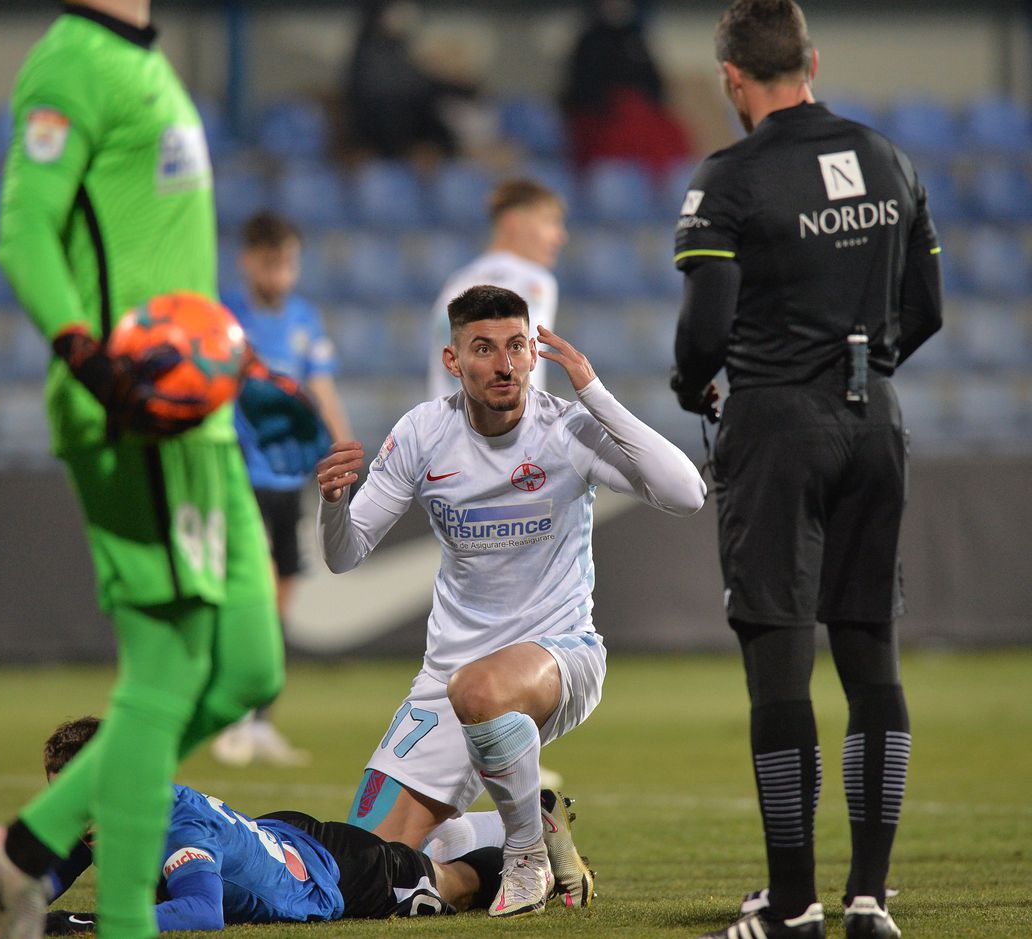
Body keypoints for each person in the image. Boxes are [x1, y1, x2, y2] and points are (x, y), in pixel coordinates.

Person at [0, 4, 286, 938]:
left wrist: (237, 362)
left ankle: (25, 852)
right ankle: (105, 911)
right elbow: (24, 235)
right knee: (171, 667)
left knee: (246, 666)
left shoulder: (149, 63)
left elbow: (154, 254)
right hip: (134, 412)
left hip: (198, 405)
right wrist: (96, 367)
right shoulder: (69, 63)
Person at [667, 3, 943, 938]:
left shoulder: (732, 176)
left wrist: (691, 382)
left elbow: (706, 326)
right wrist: (862, 366)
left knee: (781, 669)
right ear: (813, 61)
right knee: (872, 659)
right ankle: (870, 898)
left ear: (732, 78)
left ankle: (792, 906)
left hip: (778, 427)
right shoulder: (890, 159)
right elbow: (928, 306)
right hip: (877, 421)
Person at [316, 284, 707, 918]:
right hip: (447, 681)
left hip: (561, 658)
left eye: (517, 346)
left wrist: (594, 392)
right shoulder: (423, 432)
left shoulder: (568, 429)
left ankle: (524, 857)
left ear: (533, 353)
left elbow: (687, 492)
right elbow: (345, 554)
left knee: (482, 689)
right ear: (453, 360)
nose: (504, 364)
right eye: (484, 348)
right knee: (364, 869)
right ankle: (526, 828)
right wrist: (333, 507)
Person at [0, 717, 503, 935]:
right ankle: (464, 837)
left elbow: (201, 912)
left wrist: (82, 923)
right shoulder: (102, 816)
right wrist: (3, 910)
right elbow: (47, 881)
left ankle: (528, 848)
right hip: (277, 837)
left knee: (459, 888)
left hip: (342, 876)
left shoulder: (175, 830)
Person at [210, 211, 351, 768]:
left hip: (287, 477)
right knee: (253, 589)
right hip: (239, 473)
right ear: (248, 262)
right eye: (271, 264)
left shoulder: (303, 318)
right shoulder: (226, 316)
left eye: (288, 263)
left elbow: (322, 388)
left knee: (283, 588)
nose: (280, 275)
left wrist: (342, 447)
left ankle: (259, 717)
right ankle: (233, 713)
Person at [426, 179, 566, 401]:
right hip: (504, 428)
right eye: (549, 222)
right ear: (513, 223)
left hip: (445, 426)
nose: (560, 236)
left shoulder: (456, 283)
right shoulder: (534, 281)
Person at [560, 0, 692, 170]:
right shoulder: (589, 42)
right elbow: (583, 92)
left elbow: (655, 88)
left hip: (639, 119)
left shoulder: (636, 39)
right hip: (603, 123)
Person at [344, 0, 476, 161]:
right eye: (399, 10)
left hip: (406, 130)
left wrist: (457, 87)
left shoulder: (397, 45)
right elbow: (403, 88)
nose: (406, 16)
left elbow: (417, 82)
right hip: (384, 136)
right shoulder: (371, 51)